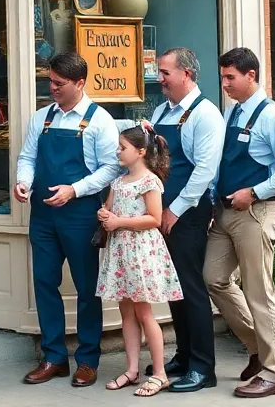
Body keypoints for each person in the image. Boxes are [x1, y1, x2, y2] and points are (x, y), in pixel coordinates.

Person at [15, 52, 121, 388]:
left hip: (80, 215)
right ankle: (54, 357)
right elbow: (27, 157)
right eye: (50, 81)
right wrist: (23, 182)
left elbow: (111, 168)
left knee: (87, 288)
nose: (53, 88)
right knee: (44, 283)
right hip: (43, 215)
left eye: (59, 83)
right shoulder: (41, 118)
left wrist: (74, 190)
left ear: (79, 82)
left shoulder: (99, 120)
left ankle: (88, 359)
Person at [206, 48, 275, 399]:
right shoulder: (232, 112)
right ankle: (258, 350)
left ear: (251, 75)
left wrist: (254, 192)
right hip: (225, 212)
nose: (225, 84)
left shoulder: (274, 118)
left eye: (230, 77)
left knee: (259, 292)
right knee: (213, 278)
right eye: (223, 77)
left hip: (258, 212)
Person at [142, 48, 225, 393]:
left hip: (187, 213)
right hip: (161, 211)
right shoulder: (162, 110)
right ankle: (185, 355)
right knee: (173, 287)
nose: (159, 78)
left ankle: (203, 369)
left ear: (186, 74)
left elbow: (204, 170)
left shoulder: (206, 114)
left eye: (165, 72)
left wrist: (174, 210)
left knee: (191, 288)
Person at [96, 125, 183, 397]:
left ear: (141, 151)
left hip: (140, 252)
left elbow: (154, 218)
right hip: (121, 251)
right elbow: (109, 207)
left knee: (144, 313)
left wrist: (119, 221)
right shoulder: (118, 182)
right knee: (126, 312)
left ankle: (159, 373)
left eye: (123, 147)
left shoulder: (149, 181)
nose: (118, 151)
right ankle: (132, 369)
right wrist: (104, 214)